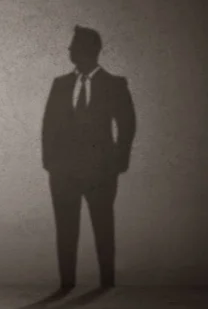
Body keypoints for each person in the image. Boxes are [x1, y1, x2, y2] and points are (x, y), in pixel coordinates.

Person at [41, 25, 136, 289]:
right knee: (66, 229)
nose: (70, 50)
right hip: (63, 174)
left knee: (103, 225)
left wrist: (118, 163)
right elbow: (48, 126)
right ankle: (66, 283)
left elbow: (127, 125)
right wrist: (50, 164)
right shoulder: (60, 84)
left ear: (91, 50)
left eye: (75, 45)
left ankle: (107, 282)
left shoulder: (114, 84)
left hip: (101, 172)